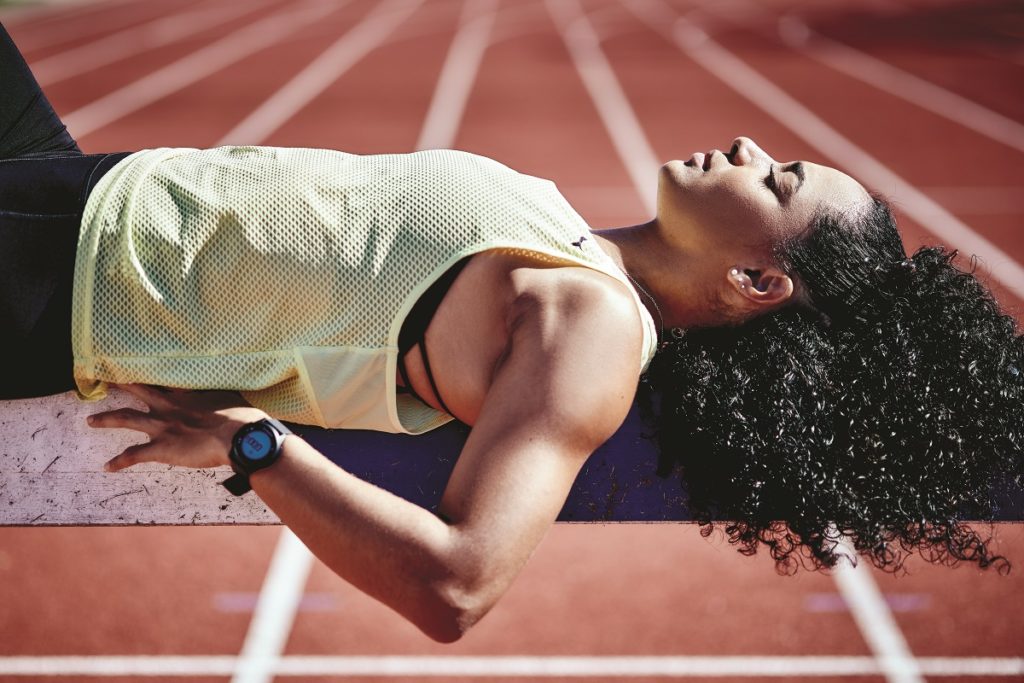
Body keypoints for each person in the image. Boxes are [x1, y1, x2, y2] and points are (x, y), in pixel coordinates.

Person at [3, 23, 1021, 642]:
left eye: (778, 181)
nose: (753, 148)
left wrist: (251, 445)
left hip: (70, 282)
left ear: (758, 279)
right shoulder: (582, 251)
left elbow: (457, 582)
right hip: (105, 195)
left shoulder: (597, 331)